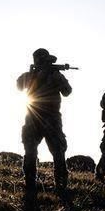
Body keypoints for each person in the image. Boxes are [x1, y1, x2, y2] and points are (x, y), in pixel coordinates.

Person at [16, 48, 72, 194]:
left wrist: (55, 76)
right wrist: (39, 75)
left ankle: (55, 185)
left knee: (54, 152)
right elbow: (19, 85)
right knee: (35, 151)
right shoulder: (32, 75)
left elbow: (67, 91)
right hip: (39, 117)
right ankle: (34, 183)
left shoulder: (53, 74)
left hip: (44, 117)